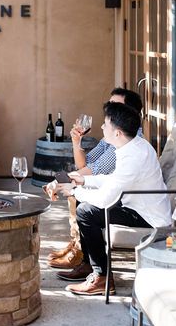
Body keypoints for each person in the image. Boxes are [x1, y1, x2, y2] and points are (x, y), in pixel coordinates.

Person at [46, 103, 171, 297]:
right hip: (134, 203)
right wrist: (83, 180)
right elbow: (114, 180)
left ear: (118, 133)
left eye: (106, 124)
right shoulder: (131, 146)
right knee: (84, 204)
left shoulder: (134, 156)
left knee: (85, 211)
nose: (102, 128)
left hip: (146, 215)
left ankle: (102, 277)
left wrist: (74, 190)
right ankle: (90, 265)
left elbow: (105, 200)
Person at [47, 88, 143, 270]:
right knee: (80, 195)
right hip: (120, 193)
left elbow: (95, 172)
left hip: (131, 204)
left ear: (128, 113)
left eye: (115, 106)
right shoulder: (118, 139)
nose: (108, 112)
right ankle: (81, 250)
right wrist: (77, 143)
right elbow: (86, 165)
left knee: (84, 206)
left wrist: (73, 184)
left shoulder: (129, 145)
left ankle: (91, 264)